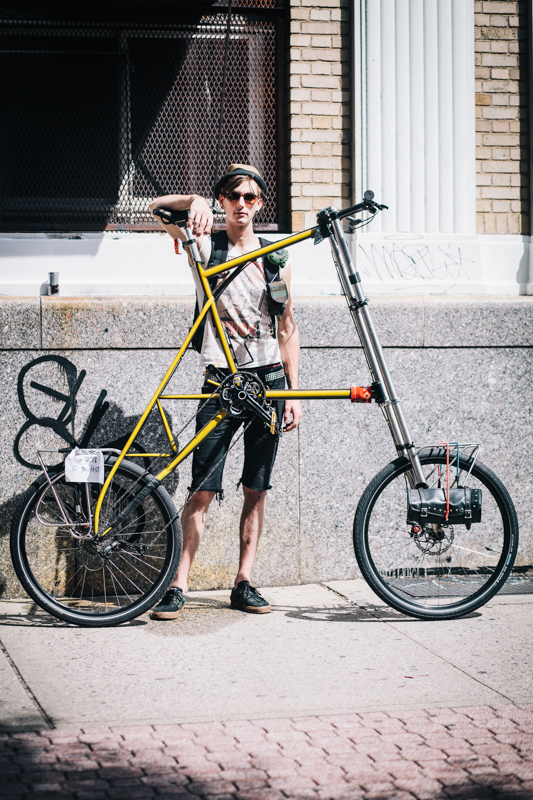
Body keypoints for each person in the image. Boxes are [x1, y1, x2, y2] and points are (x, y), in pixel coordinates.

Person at [148, 164, 302, 619]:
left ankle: (244, 581)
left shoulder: (277, 257)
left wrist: (292, 393)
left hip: (268, 381)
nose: (242, 203)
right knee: (201, 490)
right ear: (222, 200)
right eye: (233, 195)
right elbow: (155, 208)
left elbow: (288, 327)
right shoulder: (203, 244)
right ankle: (179, 585)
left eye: (251, 197)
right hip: (220, 381)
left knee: (257, 488)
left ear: (259, 204)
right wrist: (190, 202)